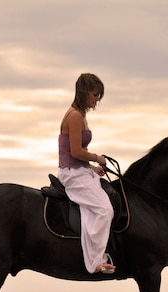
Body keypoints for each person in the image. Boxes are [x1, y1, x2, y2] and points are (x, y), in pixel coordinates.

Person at [58, 73, 115, 274]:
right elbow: (75, 151)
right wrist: (96, 158)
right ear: (84, 92)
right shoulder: (74, 116)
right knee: (104, 210)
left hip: (80, 170)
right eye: (95, 94)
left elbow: (72, 154)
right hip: (72, 174)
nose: (97, 99)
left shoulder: (80, 115)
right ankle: (96, 262)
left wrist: (92, 169)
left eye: (99, 95)